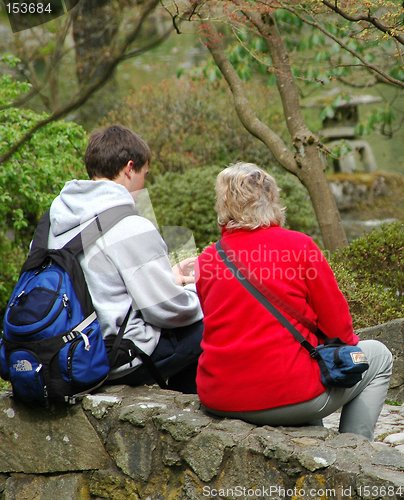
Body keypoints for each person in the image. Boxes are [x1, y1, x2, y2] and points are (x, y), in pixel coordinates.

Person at [195, 162, 393, 440]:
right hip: (287, 395)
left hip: (219, 396)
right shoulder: (300, 247)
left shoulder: (208, 259)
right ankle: (355, 452)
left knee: (301, 367)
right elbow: (340, 331)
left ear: (224, 204)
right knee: (379, 356)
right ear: (272, 198)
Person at [48, 124, 203, 393]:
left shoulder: (57, 221)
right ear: (130, 168)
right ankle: (191, 416)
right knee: (209, 321)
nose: (144, 183)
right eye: (144, 174)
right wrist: (199, 289)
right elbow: (166, 310)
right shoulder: (130, 225)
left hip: (63, 353)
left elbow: (101, 282)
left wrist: (169, 275)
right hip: (112, 357)